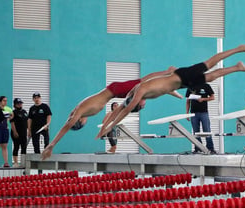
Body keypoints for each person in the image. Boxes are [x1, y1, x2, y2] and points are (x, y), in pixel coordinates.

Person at [97, 44, 245, 138]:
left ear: (137, 101)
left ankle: (240, 49)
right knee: (211, 77)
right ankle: (237, 67)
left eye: (141, 105)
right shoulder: (139, 93)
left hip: (182, 77)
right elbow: (121, 108)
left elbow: (125, 110)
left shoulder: (139, 91)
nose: (144, 105)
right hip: (180, 84)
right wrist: (106, 126)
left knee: (210, 64)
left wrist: (110, 127)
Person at [41, 67, 181, 160]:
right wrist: (103, 129)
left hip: (114, 90)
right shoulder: (82, 110)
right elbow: (111, 115)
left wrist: (52, 145)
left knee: (143, 82)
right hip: (115, 93)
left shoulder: (80, 112)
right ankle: (168, 87)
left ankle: (167, 74)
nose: (85, 123)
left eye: (82, 124)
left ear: (79, 122)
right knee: (142, 89)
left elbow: (67, 125)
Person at [186, 83, 217, 154]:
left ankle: (210, 148)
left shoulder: (206, 86)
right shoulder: (190, 87)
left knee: (207, 130)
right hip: (193, 113)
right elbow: (188, 101)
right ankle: (198, 147)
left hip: (204, 112)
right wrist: (187, 113)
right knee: (195, 131)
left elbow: (212, 97)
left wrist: (203, 99)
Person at [10, 98, 28, 167]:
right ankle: (15, 163)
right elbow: (12, 123)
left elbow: (27, 122)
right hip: (16, 133)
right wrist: (14, 132)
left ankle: (23, 163)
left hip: (23, 133)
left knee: (24, 147)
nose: (20, 104)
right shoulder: (13, 112)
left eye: (21, 103)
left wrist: (29, 130)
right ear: (15, 105)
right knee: (16, 146)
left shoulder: (24, 112)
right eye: (18, 103)